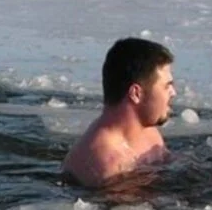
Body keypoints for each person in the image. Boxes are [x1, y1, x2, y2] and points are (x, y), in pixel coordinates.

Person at [62, 37, 177, 188]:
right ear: (136, 93)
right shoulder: (108, 164)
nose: (173, 92)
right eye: (166, 86)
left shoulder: (148, 132)